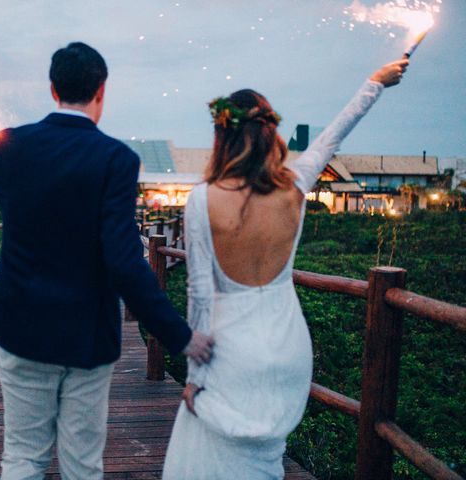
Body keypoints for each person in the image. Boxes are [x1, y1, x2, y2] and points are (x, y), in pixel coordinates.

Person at [0, 42, 213, 480]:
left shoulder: (10, 146)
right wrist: (181, 336)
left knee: (23, 458)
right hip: (87, 333)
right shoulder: (116, 158)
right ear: (101, 90)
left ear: (53, 89)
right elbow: (122, 259)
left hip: (19, 324)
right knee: (82, 464)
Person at [162, 58, 409, 479]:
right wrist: (375, 82)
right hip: (289, 346)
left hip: (230, 350)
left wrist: (194, 377)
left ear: (222, 134)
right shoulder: (295, 182)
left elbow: (200, 296)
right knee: (267, 459)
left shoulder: (203, 199)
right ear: (269, 131)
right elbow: (334, 135)